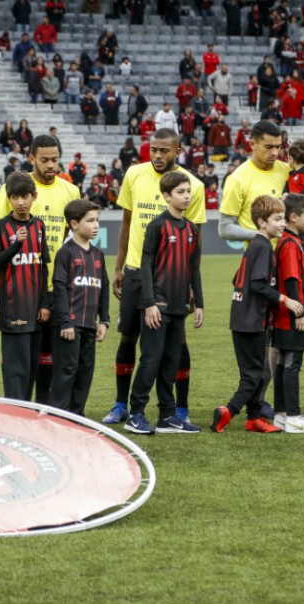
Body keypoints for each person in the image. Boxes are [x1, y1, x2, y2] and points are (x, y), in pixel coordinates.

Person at [103, 129, 205, 425]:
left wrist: (191, 285)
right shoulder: (134, 174)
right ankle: (121, 405)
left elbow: (195, 242)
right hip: (136, 272)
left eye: (164, 150)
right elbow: (126, 223)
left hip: (172, 280)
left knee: (175, 341)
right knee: (129, 336)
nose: (158, 156)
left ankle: (178, 409)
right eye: (154, 149)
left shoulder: (192, 186)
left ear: (178, 151)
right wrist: (119, 267)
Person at [0, 135, 81, 403]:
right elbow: (2, 234)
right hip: (23, 289)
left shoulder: (71, 191)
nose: (50, 165)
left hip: (58, 285)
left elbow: (70, 236)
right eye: (44, 160)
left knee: (51, 356)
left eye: (55, 159)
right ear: (32, 158)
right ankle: (18, 405)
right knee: (21, 354)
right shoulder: (13, 188)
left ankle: (44, 408)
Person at [212, 196, 302, 434]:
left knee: (259, 373)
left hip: (243, 317)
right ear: (262, 222)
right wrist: (285, 300)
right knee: (253, 375)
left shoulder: (255, 245)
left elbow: (237, 279)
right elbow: (257, 284)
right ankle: (228, 411)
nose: (283, 224)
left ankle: (254, 419)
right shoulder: (263, 247)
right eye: (277, 219)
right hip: (251, 321)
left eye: (283, 219)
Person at [125, 172, 202, 434]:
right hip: (156, 306)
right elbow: (145, 264)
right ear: (167, 196)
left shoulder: (191, 229)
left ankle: (167, 416)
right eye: (181, 192)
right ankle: (135, 413)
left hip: (179, 308)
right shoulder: (157, 225)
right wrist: (149, 303)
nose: (187, 196)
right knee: (151, 360)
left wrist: (199, 303)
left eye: (188, 191)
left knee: (171, 361)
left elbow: (194, 268)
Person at [0, 173, 51, 402]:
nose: (20, 202)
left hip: (36, 310)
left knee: (32, 365)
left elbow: (43, 267)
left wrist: (45, 303)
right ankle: (14, 410)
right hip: (13, 309)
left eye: (24, 196)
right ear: (9, 199)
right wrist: (16, 244)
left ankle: (24, 411)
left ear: (34, 196)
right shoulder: (1, 227)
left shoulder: (39, 226)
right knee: (16, 368)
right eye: (15, 197)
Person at [49, 200, 109, 416]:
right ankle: (58, 415)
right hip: (70, 326)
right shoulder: (66, 253)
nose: (96, 225)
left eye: (97, 220)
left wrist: (104, 320)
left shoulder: (98, 255)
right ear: (74, 224)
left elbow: (104, 287)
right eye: (90, 221)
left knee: (85, 371)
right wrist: (65, 322)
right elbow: (59, 287)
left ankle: (77, 415)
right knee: (66, 370)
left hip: (90, 325)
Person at [271, 195, 304, 433]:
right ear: (294, 217)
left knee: (284, 362)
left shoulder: (288, 240)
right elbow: (292, 279)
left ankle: (281, 414)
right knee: (293, 363)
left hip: (284, 315)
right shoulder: (290, 243)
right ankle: (293, 416)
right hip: (292, 316)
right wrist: (299, 313)